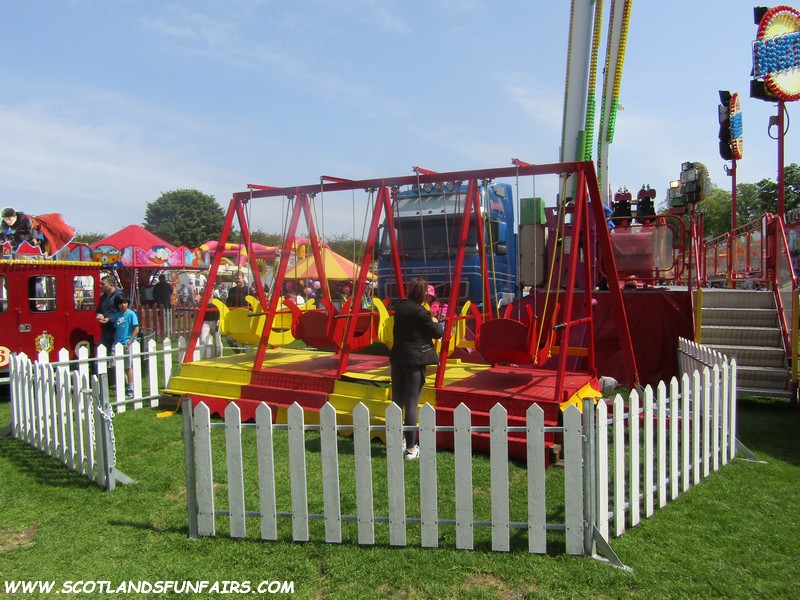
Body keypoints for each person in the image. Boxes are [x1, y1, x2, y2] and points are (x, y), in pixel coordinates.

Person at [389, 278, 444, 461]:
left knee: (397, 402)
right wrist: (436, 321)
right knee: (411, 404)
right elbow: (437, 332)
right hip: (414, 360)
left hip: (398, 358)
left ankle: (398, 442)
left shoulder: (400, 308)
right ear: (423, 295)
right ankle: (411, 449)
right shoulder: (421, 313)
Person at [97, 294, 140, 398]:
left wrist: (130, 341)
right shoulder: (117, 316)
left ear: (127, 303)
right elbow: (117, 328)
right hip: (117, 343)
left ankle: (130, 387)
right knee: (114, 365)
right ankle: (122, 384)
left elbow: (136, 329)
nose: (122, 305)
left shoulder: (131, 314)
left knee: (127, 366)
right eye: (120, 303)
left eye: (124, 303)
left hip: (126, 342)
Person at [1, 207, 75, 258]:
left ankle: (40, 242)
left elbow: (26, 236)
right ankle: (14, 249)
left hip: (33, 230)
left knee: (30, 242)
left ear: (15, 216)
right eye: (5, 219)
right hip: (21, 232)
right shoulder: (5, 222)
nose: (7, 221)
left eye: (9, 219)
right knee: (13, 241)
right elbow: (2, 231)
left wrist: (9, 237)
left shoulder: (26, 220)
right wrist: (2, 237)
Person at [95, 275, 122, 352]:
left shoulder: (119, 296)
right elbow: (98, 310)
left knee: (116, 350)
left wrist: (110, 319)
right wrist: (99, 314)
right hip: (105, 329)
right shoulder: (103, 297)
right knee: (103, 349)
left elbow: (123, 312)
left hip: (117, 329)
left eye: (103, 284)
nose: (100, 286)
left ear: (111, 285)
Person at [225, 271, 249, 353]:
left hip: (245, 318)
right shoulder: (231, 291)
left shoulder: (248, 290)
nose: (237, 280)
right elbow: (228, 304)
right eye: (235, 278)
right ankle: (238, 352)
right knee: (229, 339)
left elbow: (253, 304)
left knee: (245, 342)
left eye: (238, 278)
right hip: (234, 318)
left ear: (243, 278)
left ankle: (245, 357)